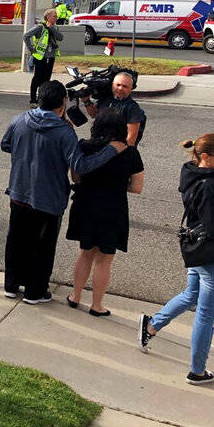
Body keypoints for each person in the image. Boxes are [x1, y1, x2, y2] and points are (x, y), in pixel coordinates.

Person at [1, 80, 125, 304]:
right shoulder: (64, 132)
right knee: (42, 247)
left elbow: (5, 144)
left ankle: (11, 284)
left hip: (19, 191)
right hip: (48, 198)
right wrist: (110, 151)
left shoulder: (19, 120)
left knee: (16, 241)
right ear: (62, 104)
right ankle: (34, 291)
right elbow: (80, 166)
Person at [139, 134, 214, 385]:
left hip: (197, 250)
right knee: (206, 313)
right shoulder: (209, 186)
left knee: (191, 295)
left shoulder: (194, 173)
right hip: (210, 253)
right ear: (205, 157)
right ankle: (197, 371)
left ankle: (151, 326)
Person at [65, 109, 144, 316]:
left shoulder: (83, 146)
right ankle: (97, 305)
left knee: (85, 253)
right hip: (113, 208)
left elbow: (76, 177)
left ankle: (75, 296)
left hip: (85, 204)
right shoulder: (130, 152)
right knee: (104, 259)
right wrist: (118, 184)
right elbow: (137, 187)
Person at [85, 71, 146, 146]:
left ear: (131, 89)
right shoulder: (106, 99)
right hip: (100, 146)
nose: (120, 88)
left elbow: (131, 139)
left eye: (125, 86)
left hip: (118, 151)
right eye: (118, 85)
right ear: (112, 85)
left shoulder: (132, 108)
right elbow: (94, 115)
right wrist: (86, 101)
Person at [23, 9, 63, 106]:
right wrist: (31, 49)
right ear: (48, 17)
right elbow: (26, 36)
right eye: (54, 16)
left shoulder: (55, 28)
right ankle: (33, 100)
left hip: (51, 57)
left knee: (46, 79)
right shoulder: (40, 27)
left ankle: (42, 99)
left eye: (56, 16)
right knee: (37, 78)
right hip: (40, 57)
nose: (56, 18)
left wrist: (52, 28)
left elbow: (60, 38)